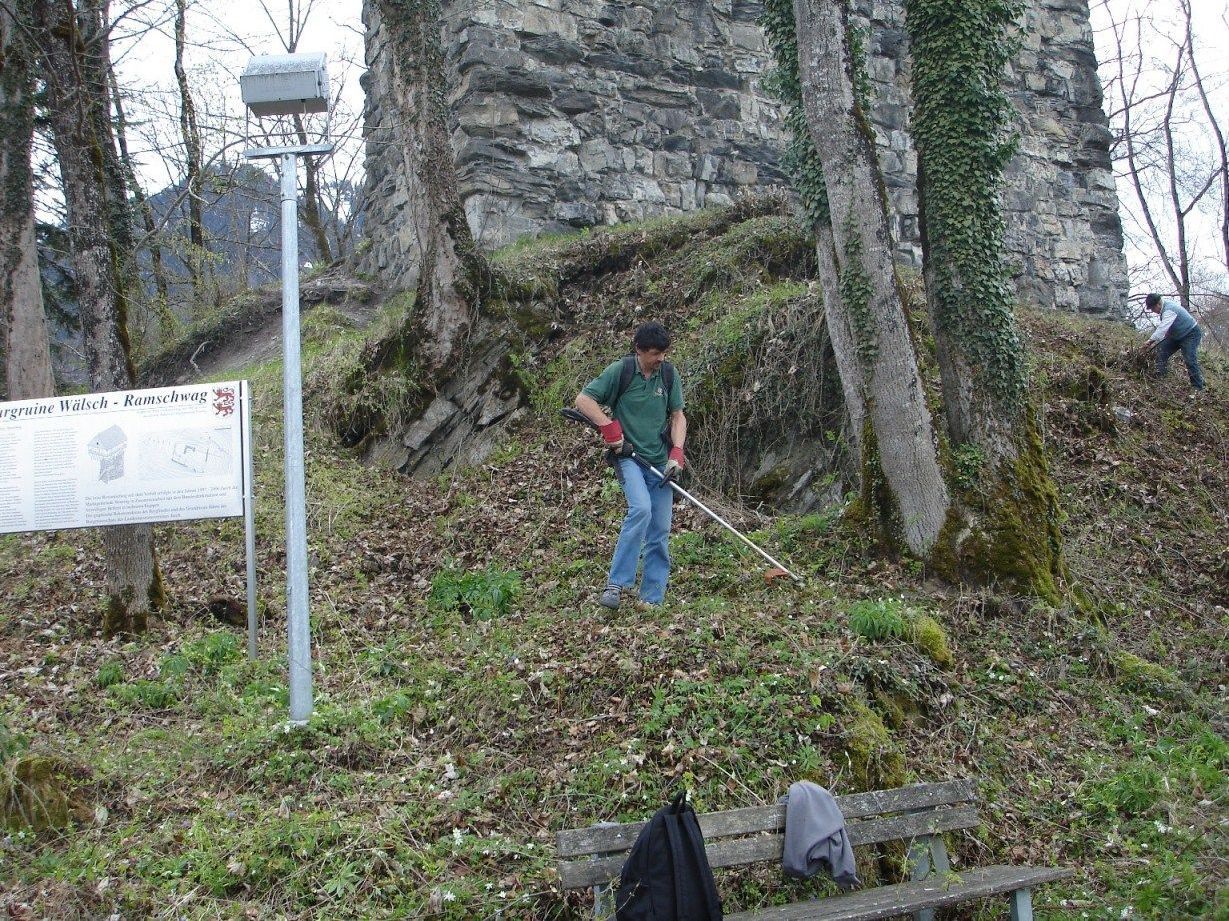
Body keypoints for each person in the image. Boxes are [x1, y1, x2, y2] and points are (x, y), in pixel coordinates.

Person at [574, 322, 687, 609]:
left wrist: (676, 453)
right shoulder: (621, 372)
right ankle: (616, 584)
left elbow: (677, 416)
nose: (660, 358)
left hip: (659, 463)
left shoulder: (669, 375)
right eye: (654, 353)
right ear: (638, 350)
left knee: (660, 530)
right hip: (630, 459)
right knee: (640, 509)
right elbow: (584, 400)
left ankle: (651, 598)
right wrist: (610, 429)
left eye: (663, 352)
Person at [1140, 293, 1205, 392]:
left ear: (1158, 304)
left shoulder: (1169, 309)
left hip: (1190, 334)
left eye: (1153, 309)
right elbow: (1167, 329)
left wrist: (1150, 341)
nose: (1153, 312)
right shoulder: (1164, 308)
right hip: (1176, 335)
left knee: (1189, 359)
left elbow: (1163, 328)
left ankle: (1197, 387)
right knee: (1160, 352)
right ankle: (1160, 379)